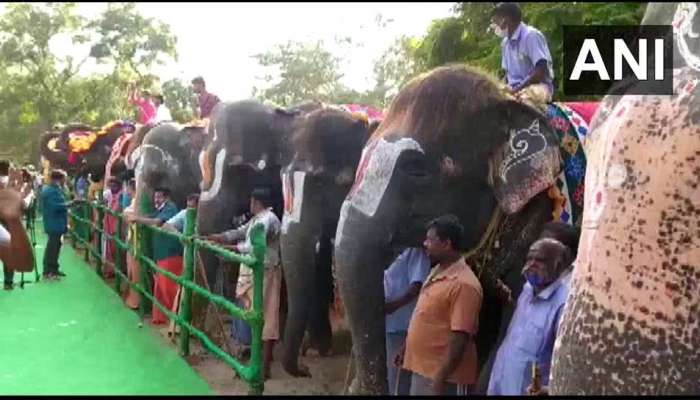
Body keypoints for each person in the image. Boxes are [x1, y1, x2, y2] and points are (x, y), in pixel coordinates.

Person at [398, 215, 483, 395]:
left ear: (447, 243)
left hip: (444, 378)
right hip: (423, 370)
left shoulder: (464, 284)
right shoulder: (437, 271)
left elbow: (459, 337)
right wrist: (407, 347)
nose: (425, 244)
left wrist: (440, 378)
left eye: (430, 239)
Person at [204, 188, 281, 380]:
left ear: (256, 202)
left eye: (252, 201)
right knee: (251, 317)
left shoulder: (268, 220)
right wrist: (216, 237)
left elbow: (254, 247)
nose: (250, 204)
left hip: (265, 272)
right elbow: (239, 232)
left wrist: (227, 247)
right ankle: (254, 363)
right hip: (252, 273)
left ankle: (264, 367)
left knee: (266, 318)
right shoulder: (257, 219)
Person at [487, 238, 573, 395]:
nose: (531, 264)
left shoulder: (564, 305)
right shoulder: (527, 289)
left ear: (558, 265)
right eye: (529, 258)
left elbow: (566, 363)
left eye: (540, 260)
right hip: (501, 382)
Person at [125, 187, 182, 324]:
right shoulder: (160, 209)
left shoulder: (170, 208)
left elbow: (158, 222)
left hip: (170, 253)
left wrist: (137, 219)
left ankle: (171, 318)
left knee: (168, 286)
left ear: (166, 197)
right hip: (161, 253)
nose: (156, 200)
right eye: (155, 197)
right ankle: (161, 317)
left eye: (159, 197)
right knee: (161, 285)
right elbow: (151, 217)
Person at [383, 247, 430, 395]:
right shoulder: (391, 253)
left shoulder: (416, 252)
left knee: (398, 379)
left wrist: (394, 306)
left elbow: (417, 286)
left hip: (404, 325)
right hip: (390, 324)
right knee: (393, 375)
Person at [491, 2, 554, 108]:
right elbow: (507, 74)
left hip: (538, 87)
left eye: (496, 21)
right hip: (514, 88)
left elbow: (540, 72)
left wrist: (516, 90)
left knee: (523, 103)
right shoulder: (505, 43)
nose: (494, 26)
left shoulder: (531, 36)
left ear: (506, 20)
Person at [41, 170, 77, 281]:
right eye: (63, 179)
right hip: (53, 222)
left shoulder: (55, 190)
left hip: (58, 222)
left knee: (56, 246)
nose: (64, 181)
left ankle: (54, 268)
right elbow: (55, 206)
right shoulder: (50, 191)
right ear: (58, 179)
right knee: (52, 247)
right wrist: (70, 204)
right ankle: (48, 271)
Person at [122, 179, 141, 309]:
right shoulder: (134, 200)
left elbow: (130, 214)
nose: (126, 191)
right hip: (132, 237)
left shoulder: (137, 201)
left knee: (135, 268)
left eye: (128, 188)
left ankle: (136, 300)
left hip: (136, 239)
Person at [102, 177, 122, 279]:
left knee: (115, 249)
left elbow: (115, 211)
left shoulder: (120, 196)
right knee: (108, 248)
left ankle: (115, 271)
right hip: (108, 225)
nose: (112, 188)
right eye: (111, 186)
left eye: (114, 186)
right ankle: (109, 270)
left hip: (116, 227)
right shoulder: (111, 195)